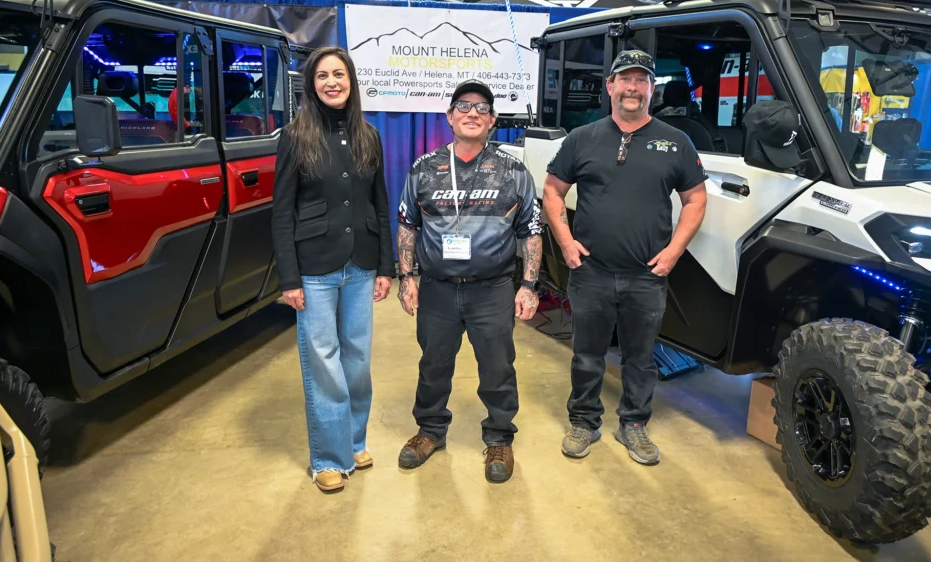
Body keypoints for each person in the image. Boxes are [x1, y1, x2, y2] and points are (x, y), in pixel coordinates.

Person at [542, 49, 708, 466]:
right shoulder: (582, 139)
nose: (632, 88)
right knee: (586, 355)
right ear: (610, 86)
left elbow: (695, 199)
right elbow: (552, 190)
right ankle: (584, 421)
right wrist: (566, 243)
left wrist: (673, 252)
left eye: (641, 80)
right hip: (591, 272)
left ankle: (633, 423)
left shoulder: (676, 142)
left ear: (651, 89)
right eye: (625, 79)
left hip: (646, 275)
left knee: (640, 358)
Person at [395, 79, 543, 484]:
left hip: (492, 289)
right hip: (438, 289)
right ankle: (430, 430)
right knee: (433, 364)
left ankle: (499, 437)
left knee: (497, 366)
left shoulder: (513, 171)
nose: (472, 113)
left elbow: (531, 230)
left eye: (482, 108)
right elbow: (408, 225)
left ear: (492, 120)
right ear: (449, 117)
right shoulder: (424, 168)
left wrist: (529, 286)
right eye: (463, 106)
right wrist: (407, 277)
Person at [272, 46, 394, 493]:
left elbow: (380, 203)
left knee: (357, 362)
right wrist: (289, 278)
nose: (331, 82)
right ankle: (328, 457)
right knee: (324, 364)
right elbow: (281, 212)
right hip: (314, 269)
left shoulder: (369, 136)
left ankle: (353, 442)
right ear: (311, 84)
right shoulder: (294, 136)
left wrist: (386, 267)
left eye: (339, 74)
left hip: (361, 264)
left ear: (351, 81)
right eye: (322, 76)